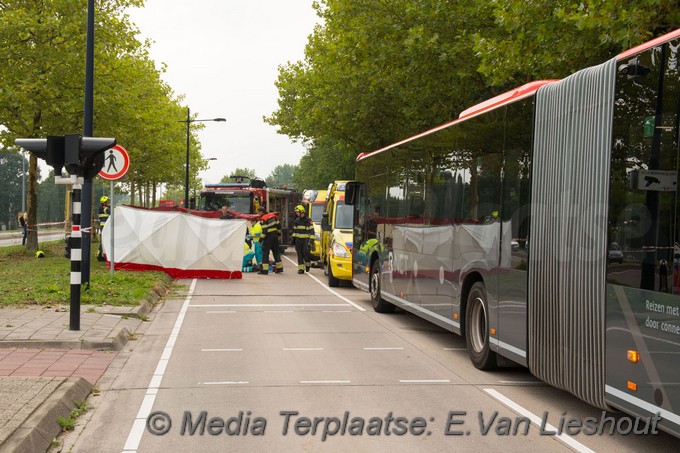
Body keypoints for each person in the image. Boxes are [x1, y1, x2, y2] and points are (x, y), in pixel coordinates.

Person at [258, 206, 283, 274]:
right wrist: (278, 235)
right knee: (276, 252)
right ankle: (280, 268)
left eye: (258, 212)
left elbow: (264, 231)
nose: (258, 214)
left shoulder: (263, 218)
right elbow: (279, 226)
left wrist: (260, 240)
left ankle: (265, 270)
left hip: (268, 237)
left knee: (265, 253)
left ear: (261, 212)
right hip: (275, 237)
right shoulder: (273, 216)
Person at [292, 204, 314, 274]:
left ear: (302, 212)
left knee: (306, 253)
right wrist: (293, 240)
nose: (297, 213)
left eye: (297, 212)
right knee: (299, 254)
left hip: (306, 240)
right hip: (298, 240)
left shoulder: (308, 220)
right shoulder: (297, 220)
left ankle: (307, 264)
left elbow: (312, 231)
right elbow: (295, 231)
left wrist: (312, 240)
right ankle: (301, 269)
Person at [97, 196, 110, 261]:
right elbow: (110, 212)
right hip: (104, 227)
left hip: (105, 227)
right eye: (107, 202)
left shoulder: (104, 208)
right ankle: (99, 256)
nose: (108, 202)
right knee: (103, 241)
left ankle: (101, 255)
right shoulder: (104, 209)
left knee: (105, 241)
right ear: (104, 203)